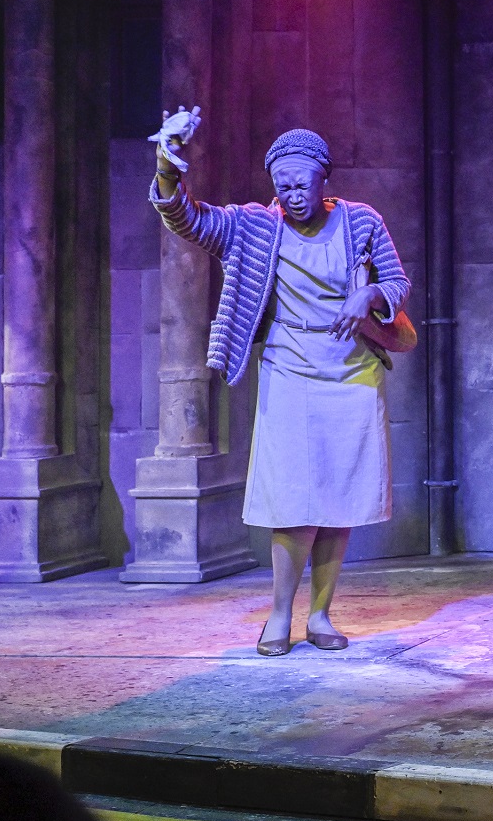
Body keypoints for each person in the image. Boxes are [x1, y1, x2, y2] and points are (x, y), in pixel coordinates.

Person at [150, 109, 410, 657]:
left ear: (323, 178)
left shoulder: (362, 221)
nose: (292, 195)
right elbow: (187, 219)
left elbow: (396, 280)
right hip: (289, 369)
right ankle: (278, 614)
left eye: (302, 184)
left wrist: (370, 294)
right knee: (292, 499)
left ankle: (320, 615)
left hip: (352, 373)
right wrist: (168, 166)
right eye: (282, 185)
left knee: (338, 498)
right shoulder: (254, 227)